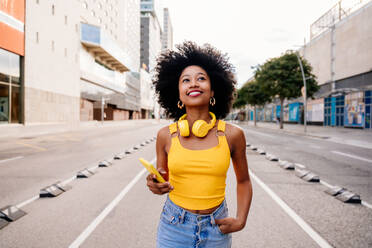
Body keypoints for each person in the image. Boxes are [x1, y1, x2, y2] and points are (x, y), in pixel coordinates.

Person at [146, 41, 253, 248]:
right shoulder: (165, 136)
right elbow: (162, 177)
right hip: (173, 226)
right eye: (185, 80)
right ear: (178, 94)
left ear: (213, 91)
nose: (193, 83)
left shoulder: (233, 135)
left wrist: (241, 219)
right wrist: (155, 183)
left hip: (216, 227)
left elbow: (244, 181)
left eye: (201, 78)